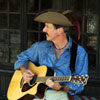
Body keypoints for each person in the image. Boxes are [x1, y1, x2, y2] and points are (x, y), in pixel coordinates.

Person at [14, 10, 88, 100]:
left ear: (60, 31)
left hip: (59, 94)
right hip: (36, 94)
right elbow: (21, 57)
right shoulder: (40, 47)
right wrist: (24, 70)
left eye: (47, 26)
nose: (43, 30)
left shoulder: (79, 53)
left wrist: (60, 87)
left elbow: (79, 85)